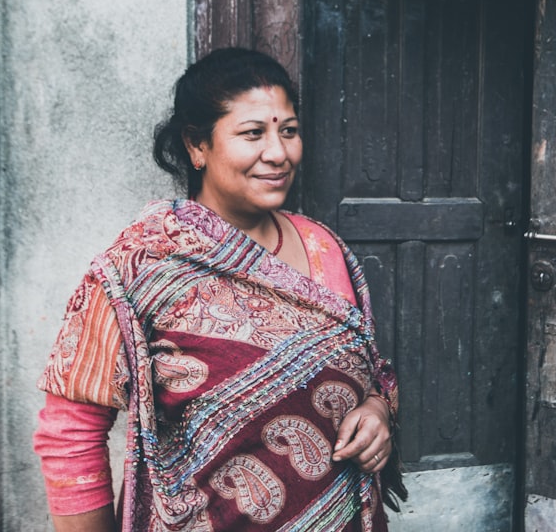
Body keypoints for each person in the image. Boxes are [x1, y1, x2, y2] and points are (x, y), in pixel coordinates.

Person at [33, 48, 404, 531]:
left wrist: (377, 411)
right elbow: (71, 433)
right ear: (197, 146)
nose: (279, 153)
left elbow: (371, 372)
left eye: (288, 131)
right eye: (254, 133)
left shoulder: (323, 246)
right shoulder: (141, 267)